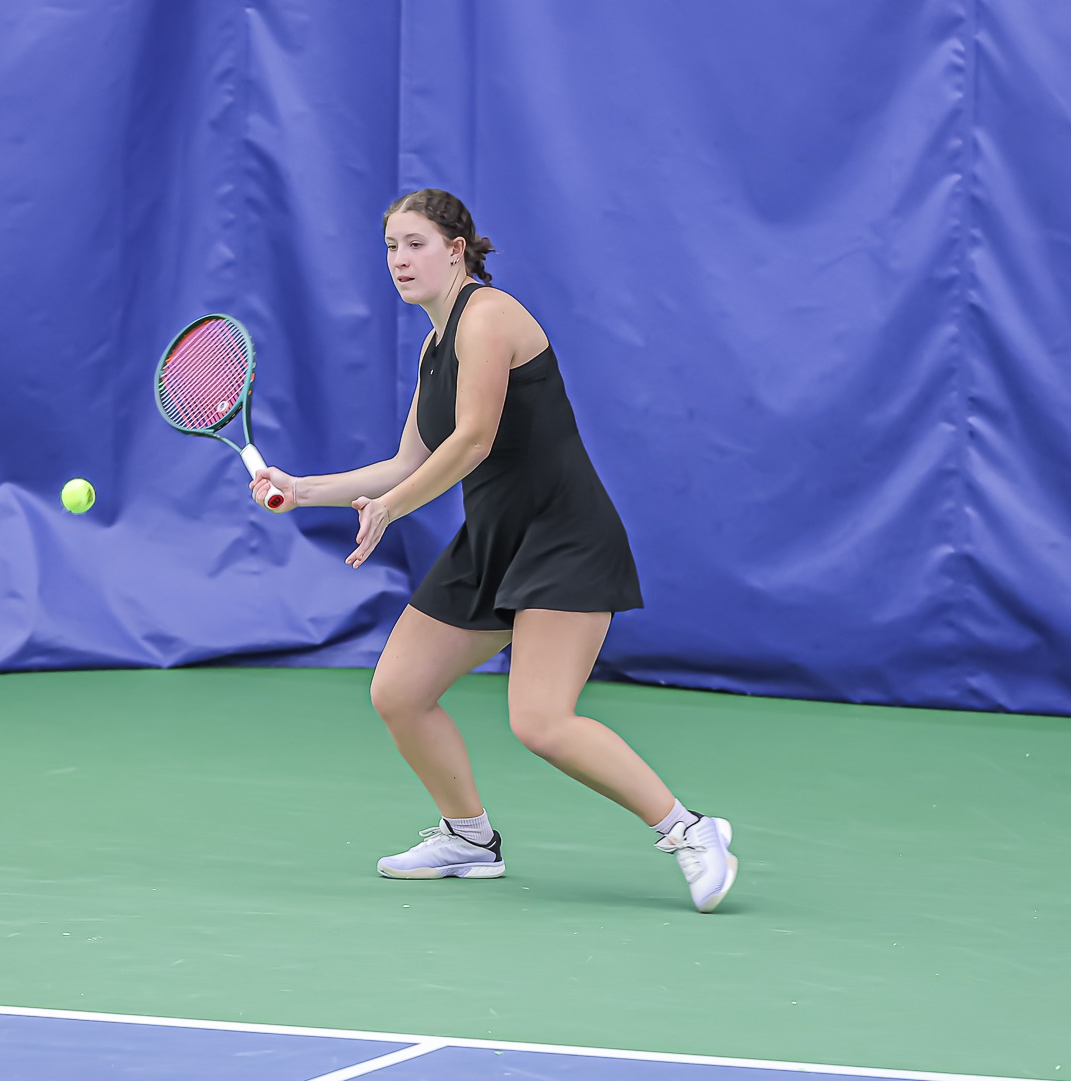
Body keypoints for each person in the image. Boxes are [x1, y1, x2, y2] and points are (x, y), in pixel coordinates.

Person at [250, 189, 736, 913]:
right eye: (390, 247)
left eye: (415, 243)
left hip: (564, 537)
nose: (399, 260)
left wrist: (394, 506)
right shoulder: (434, 345)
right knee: (399, 692)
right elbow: (408, 459)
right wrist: (301, 488)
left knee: (541, 720)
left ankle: (690, 829)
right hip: (493, 540)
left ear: (456, 249)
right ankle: (468, 838)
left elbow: (473, 438)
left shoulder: (490, 317)